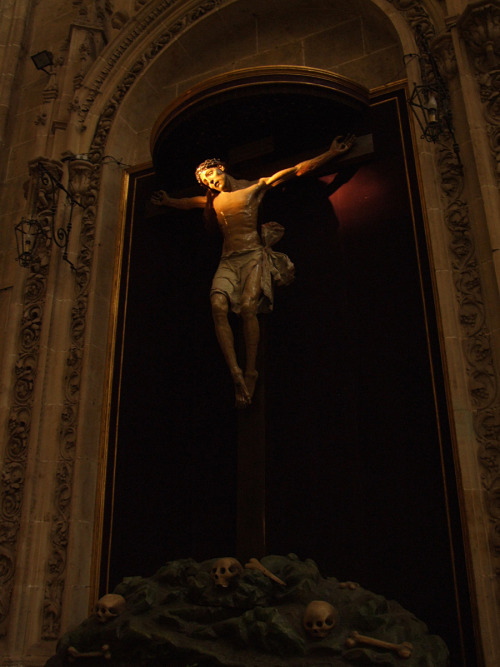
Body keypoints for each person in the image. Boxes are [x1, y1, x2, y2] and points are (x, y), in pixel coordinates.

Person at [151, 135, 354, 408]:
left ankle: (250, 371)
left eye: (211, 174)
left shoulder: (254, 189)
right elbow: (188, 202)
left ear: (221, 168)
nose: (211, 181)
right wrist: (168, 201)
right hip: (228, 261)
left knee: (248, 308)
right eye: (207, 181)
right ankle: (234, 371)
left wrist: (330, 154)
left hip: (252, 257)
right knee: (217, 305)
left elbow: (295, 170)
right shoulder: (214, 203)